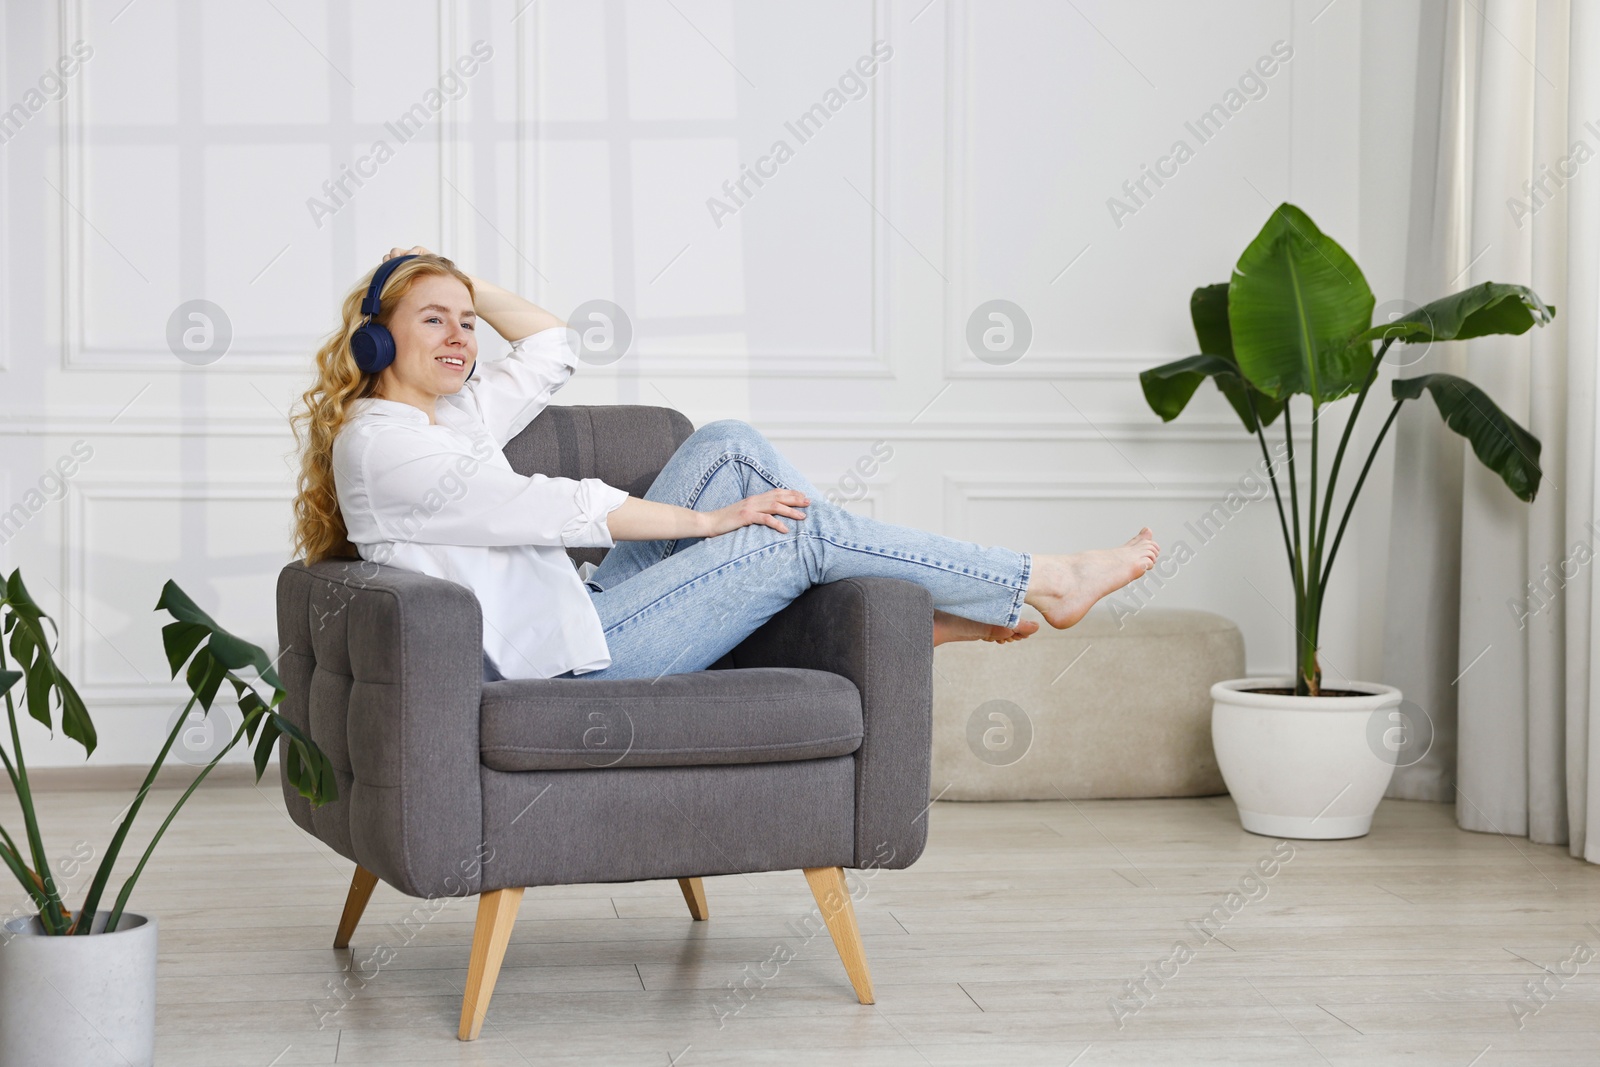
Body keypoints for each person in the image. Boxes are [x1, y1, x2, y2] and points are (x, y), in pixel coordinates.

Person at [290, 248, 1160, 682]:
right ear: (377, 337)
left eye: (466, 321)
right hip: (563, 665)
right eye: (431, 320)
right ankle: (1039, 578)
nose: (460, 336)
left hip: (581, 612)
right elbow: (556, 506)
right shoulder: (383, 443)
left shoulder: (453, 413)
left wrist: (452, 282)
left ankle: (910, 616)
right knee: (789, 534)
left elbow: (553, 343)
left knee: (728, 444)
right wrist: (709, 524)